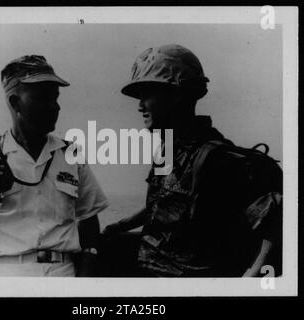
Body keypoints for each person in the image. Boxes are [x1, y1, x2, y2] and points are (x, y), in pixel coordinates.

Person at [103, 44, 282, 277]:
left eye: (147, 94)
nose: (140, 106)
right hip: (150, 265)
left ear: (176, 95)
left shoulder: (216, 160)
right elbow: (162, 204)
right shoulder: (169, 150)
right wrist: (117, 226)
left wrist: (251, 280)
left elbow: (275, 218)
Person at [0, 55, 108, 277]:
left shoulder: (71, 154)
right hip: (5, 273)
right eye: (43, 98)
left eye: (55, 98)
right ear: (15, 103)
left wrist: (84, 279)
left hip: (62, 272)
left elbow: (88, 219)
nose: (55, 106)